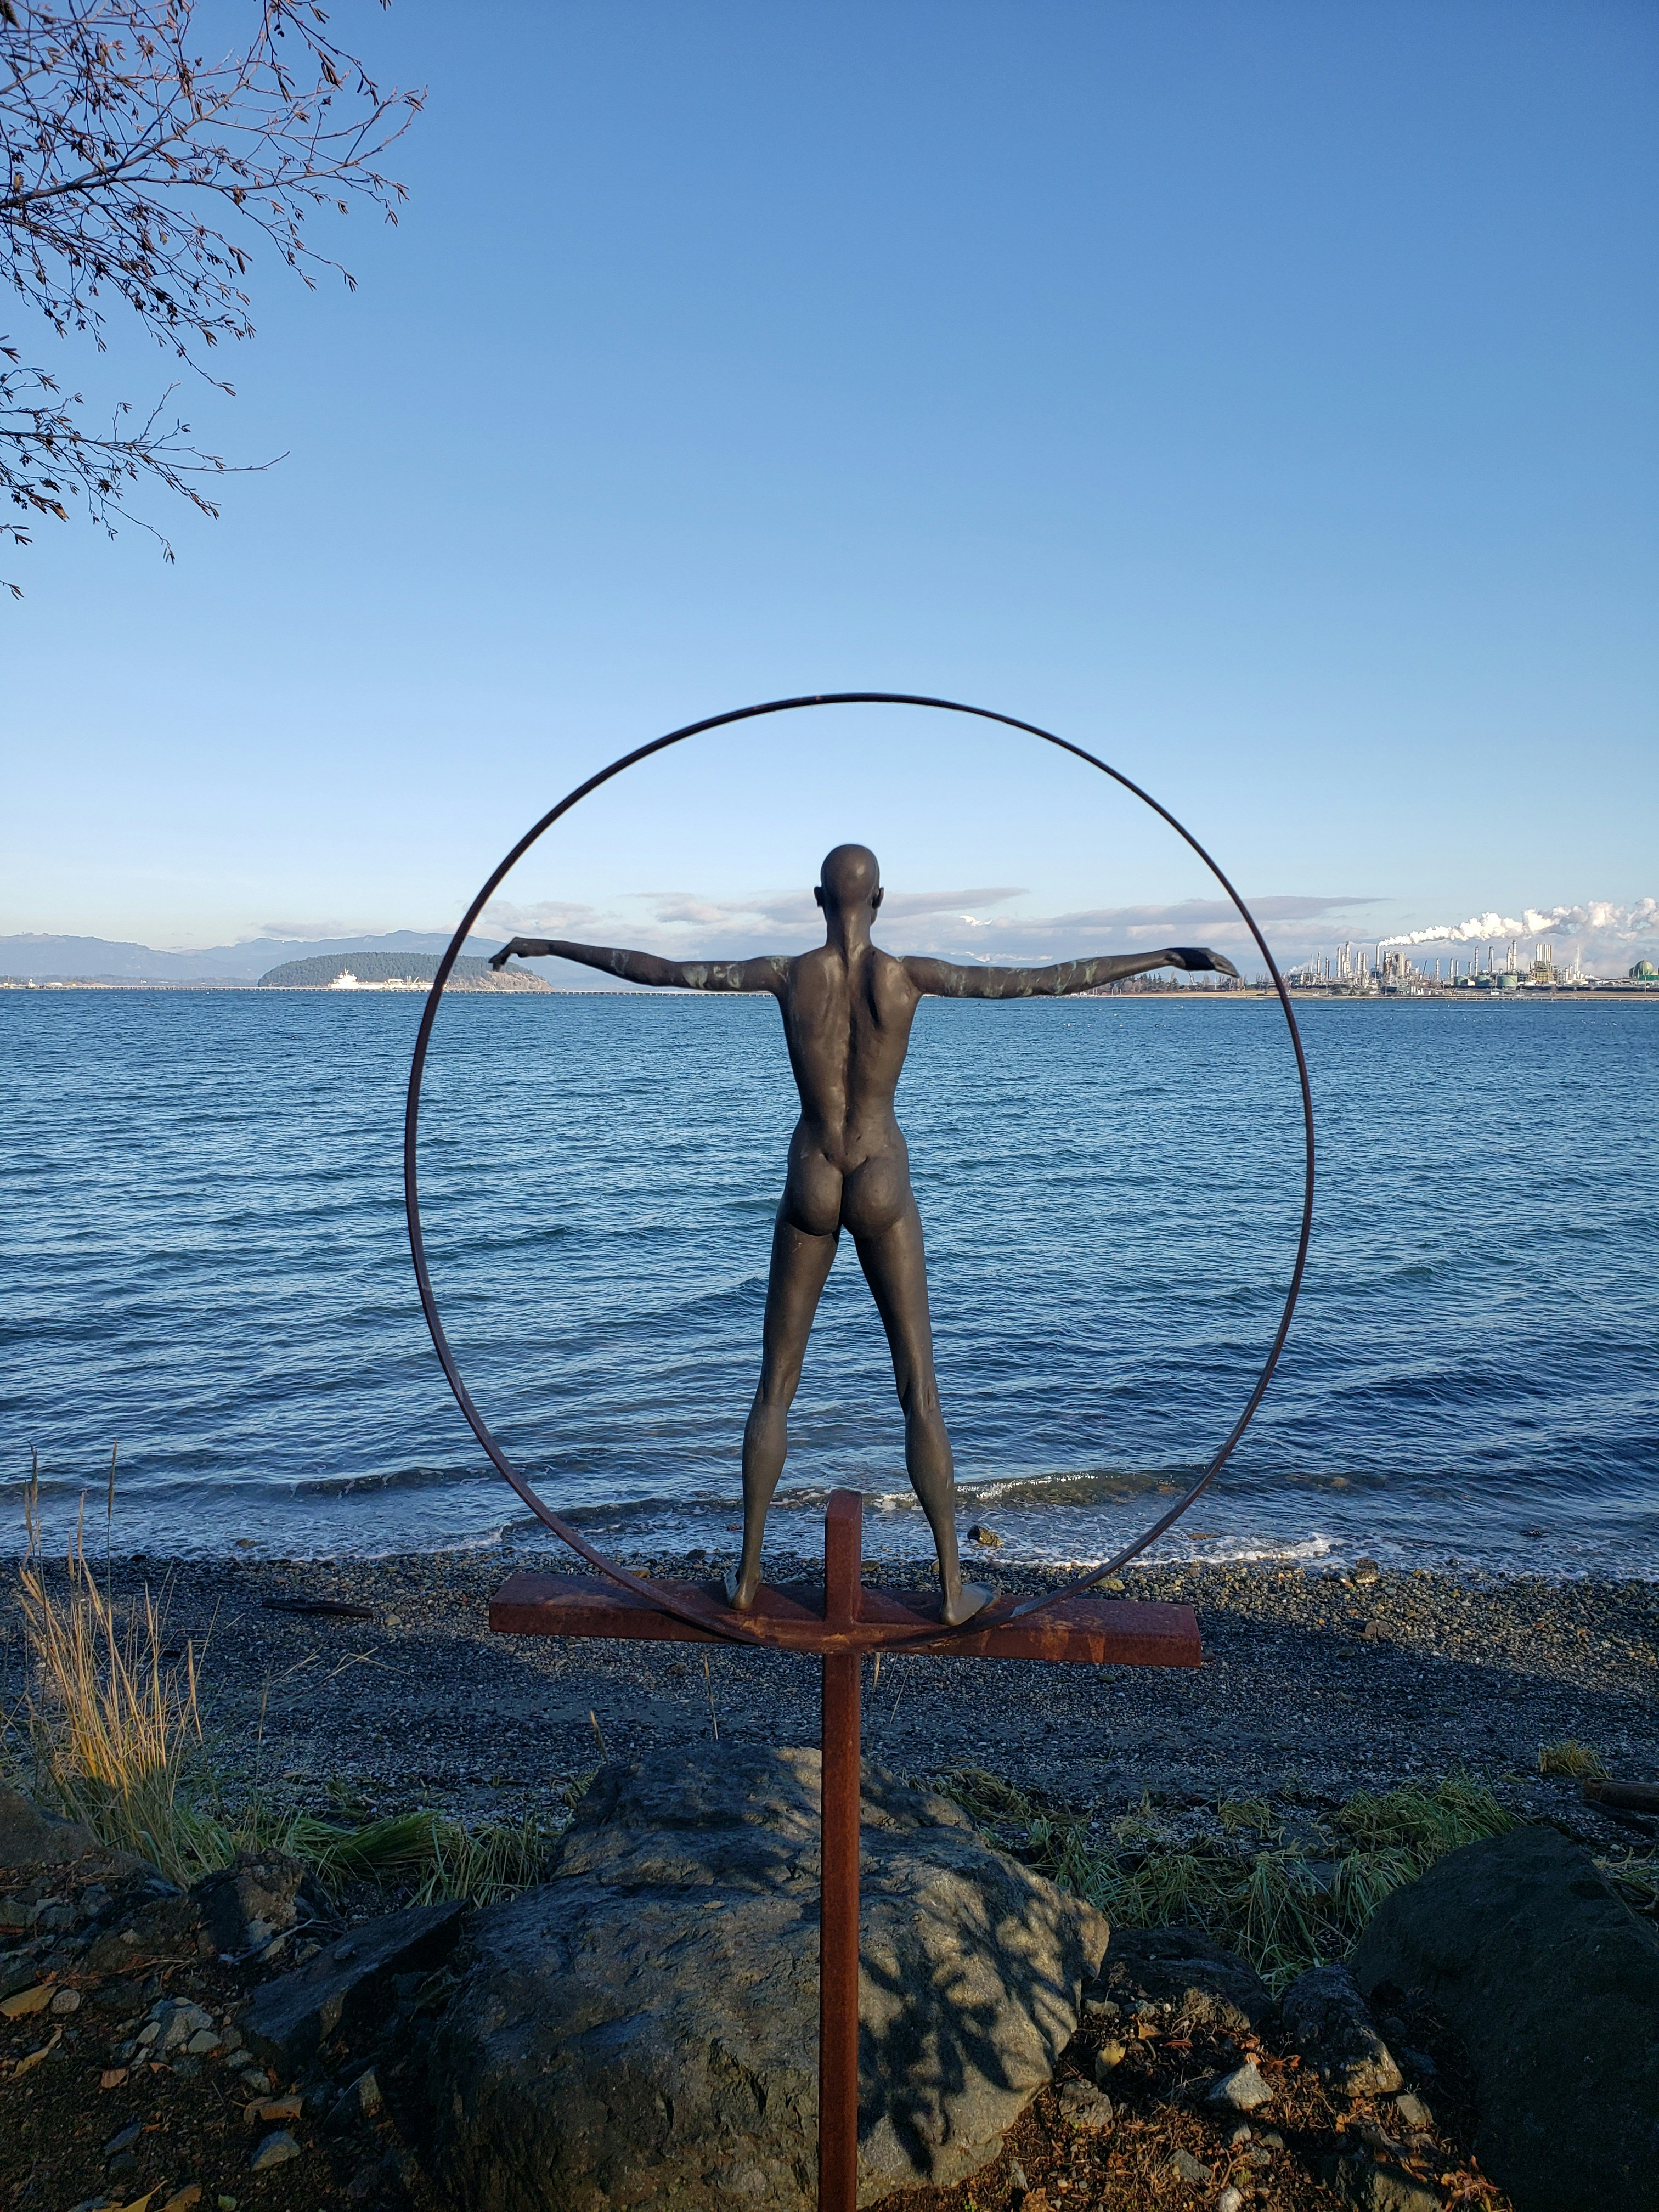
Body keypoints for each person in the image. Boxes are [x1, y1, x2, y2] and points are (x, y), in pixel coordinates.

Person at [493, 844, 1238, 1624]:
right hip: (881, 1173)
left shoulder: (786, 973)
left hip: (814, 1172)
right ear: (879, 898)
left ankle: (746, 1576)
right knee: (919, 1389)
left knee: (775, 1386)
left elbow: (666, 969)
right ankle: (951, 1587)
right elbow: (1040, 979)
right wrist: (1162, 955)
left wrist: (554, 945)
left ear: (820, 898)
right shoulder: (907, 975)